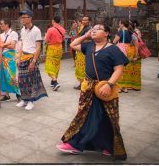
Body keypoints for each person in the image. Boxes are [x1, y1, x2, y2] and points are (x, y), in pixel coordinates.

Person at [57, 24, 128, 160]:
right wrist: (85, 35)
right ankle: (75, 144)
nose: (94, 31)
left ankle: (108, 145)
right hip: (89, 88)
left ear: (106, 33)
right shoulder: (89, 46)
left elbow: (119, 69)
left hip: (105, 88)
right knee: (84, 116)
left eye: (98, 29)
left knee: (108, 119)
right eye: (93, 29)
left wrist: (109, 84)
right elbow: (73, 44)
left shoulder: (113, 49)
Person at [16, 10, 47, 110]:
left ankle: (31, 100)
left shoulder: (36, 30)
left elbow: (38, 47)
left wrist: (33, 61)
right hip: (23, 56)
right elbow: (22, 44)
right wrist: (18, 57)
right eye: (22, 17)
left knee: (31, 80)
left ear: (30, 18)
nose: (22, 19)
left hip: (31, 57)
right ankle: (24, 99)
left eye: (25, 17)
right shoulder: (22, 30)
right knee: (21, 79)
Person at [113, 20, 139, 93]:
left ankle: (120, 87)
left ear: (122, 24)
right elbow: (136, 45)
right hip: (130, 50)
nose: (119, 25)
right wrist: (135, 56)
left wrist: (117, 34)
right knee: (127, 69)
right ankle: (125, 87)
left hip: (122, 50)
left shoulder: (121, 32)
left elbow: (114, 41)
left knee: (120, 68)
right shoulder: (132, 33)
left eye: (119, 23)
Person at [0, 18, 21, 102]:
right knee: (3, 76)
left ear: (7, 24)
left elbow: (13, 46)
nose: (0, 25)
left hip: (10, 56)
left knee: (12, 75)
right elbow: (0, 45)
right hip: (3, 56)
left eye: (2, 24)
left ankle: (18, 93)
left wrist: (3, 45)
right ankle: (6, 94)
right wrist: (7, 44)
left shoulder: (13, 33)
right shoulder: (1, 35)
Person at [44, 16, 66, 91]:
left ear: (53, 21)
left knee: (49, 65)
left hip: (52, 48)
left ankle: (55, 82)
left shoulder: (50, 29)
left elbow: (46, 40)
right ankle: (53, 81)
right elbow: (63, 39)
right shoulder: (63, 29)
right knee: (56, 64)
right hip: (59, 48)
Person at [74, 16, 92, 90]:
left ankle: (84, 83)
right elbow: (78, 37)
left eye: (85, 20)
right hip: (81, 48)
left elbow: (87, 39)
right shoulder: (84, 28)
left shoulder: (89, 29)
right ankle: (82, 83)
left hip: (84, 49)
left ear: (89, 21)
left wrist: (81, 41)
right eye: (83, 20)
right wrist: (75, 29)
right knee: (80, 67)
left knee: (83, 67)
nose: (83, 21)